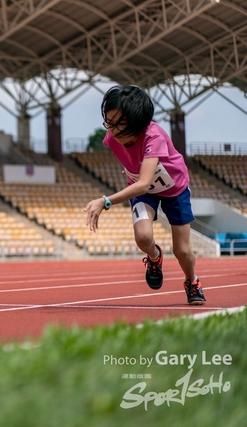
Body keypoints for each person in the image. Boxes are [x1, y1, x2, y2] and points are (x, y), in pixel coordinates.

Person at [84, 85, 205, 305]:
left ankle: (192, 280)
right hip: (144, 189)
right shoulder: (111, 137)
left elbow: (143, 184)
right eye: (109, 123)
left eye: (120, 124)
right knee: (142, 237)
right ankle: (155, 257)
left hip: (174, 189)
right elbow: (134, 165)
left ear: (138, 122)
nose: (113, 130)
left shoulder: (154, 136)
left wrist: (106, 201)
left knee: (182, 250)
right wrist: (132, 168)